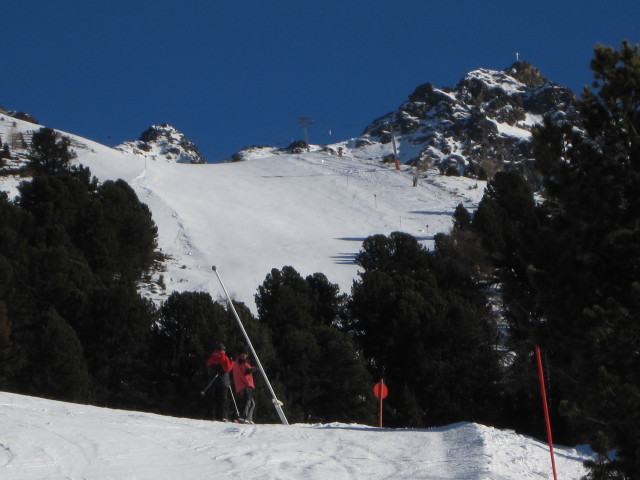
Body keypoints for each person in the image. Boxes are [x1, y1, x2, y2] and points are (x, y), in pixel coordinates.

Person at [206, 342, 233, 421]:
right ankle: (223, 416)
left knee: (215, 399)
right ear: (222, 350)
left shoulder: (211, 358)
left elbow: (209, 370)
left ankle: (212, 416)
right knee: (223, 400)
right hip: (222, 382)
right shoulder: (223, 357)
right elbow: (227, 368)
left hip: (213, 382)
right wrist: (232, 362)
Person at [232, 346, 258, 424]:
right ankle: (243, 418)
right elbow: (248, 371)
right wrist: (256, 368)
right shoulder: (242, 362)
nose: (245, 356)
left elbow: (247, 369)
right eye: (244, 354)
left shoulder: (237, 362)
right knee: (248, 401)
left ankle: (248, 418)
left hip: (241, 385)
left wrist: (254, 368)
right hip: (245, 384)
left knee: (252, 403)